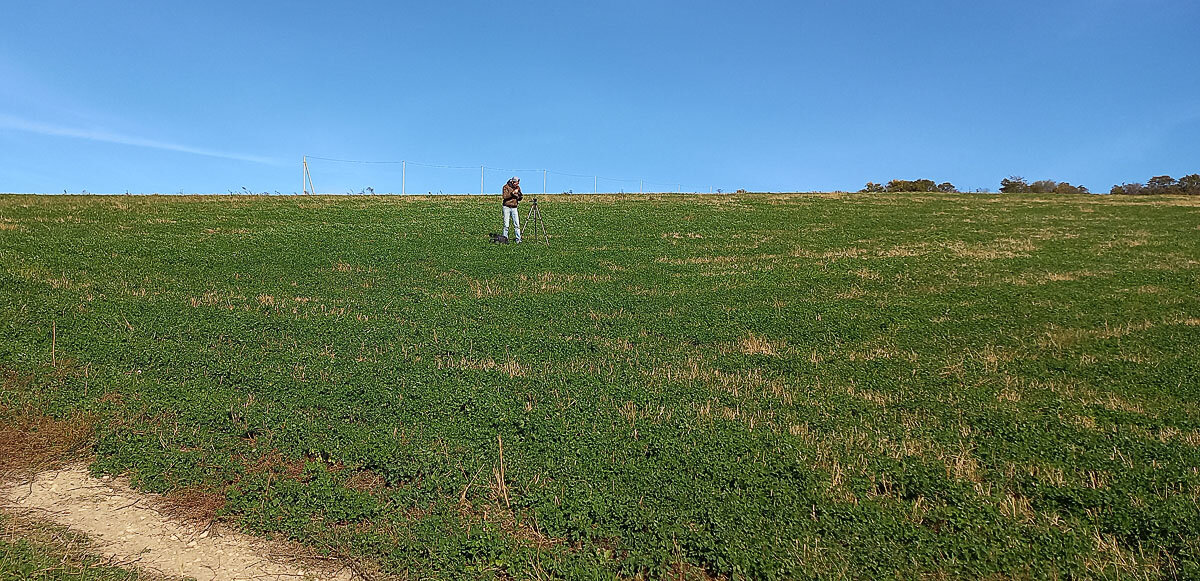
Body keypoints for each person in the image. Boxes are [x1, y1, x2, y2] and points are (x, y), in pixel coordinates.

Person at [501, 177, 522, 243]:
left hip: (514, 207)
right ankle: (505, 239)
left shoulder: (518, 187)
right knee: (506, 224)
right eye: (516, 183)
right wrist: (512, 193)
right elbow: (505, 196)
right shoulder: (505, 187)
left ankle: (518, 239)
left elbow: (520, 197)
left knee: (517, 224)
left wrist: (518, 195)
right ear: (513, 182)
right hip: (506, 207)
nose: (517, 184)